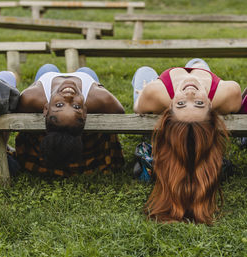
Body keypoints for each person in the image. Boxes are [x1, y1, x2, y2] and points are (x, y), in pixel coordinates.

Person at [131, 58, 242, 224]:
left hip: (164, 89)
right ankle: (196, 68)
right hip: (200, 85)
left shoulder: (156, 92)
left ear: (169, 109)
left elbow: (138, 107)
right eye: (198, 103)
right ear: (211, 106)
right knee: (198, 63)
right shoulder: (229, 92)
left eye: (181, 104)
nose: (190, 93)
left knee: (144, 72)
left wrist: (144, 94)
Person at [15, 64, 125, 176]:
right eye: (76, 107)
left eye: (59, 105)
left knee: (47, 67)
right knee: (85, 70)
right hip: (85, 77)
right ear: (85, 111)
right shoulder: (101, 98)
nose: (68, 96)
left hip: (46, 77)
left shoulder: (32, 97)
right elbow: (120, 113)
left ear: (46, 108)